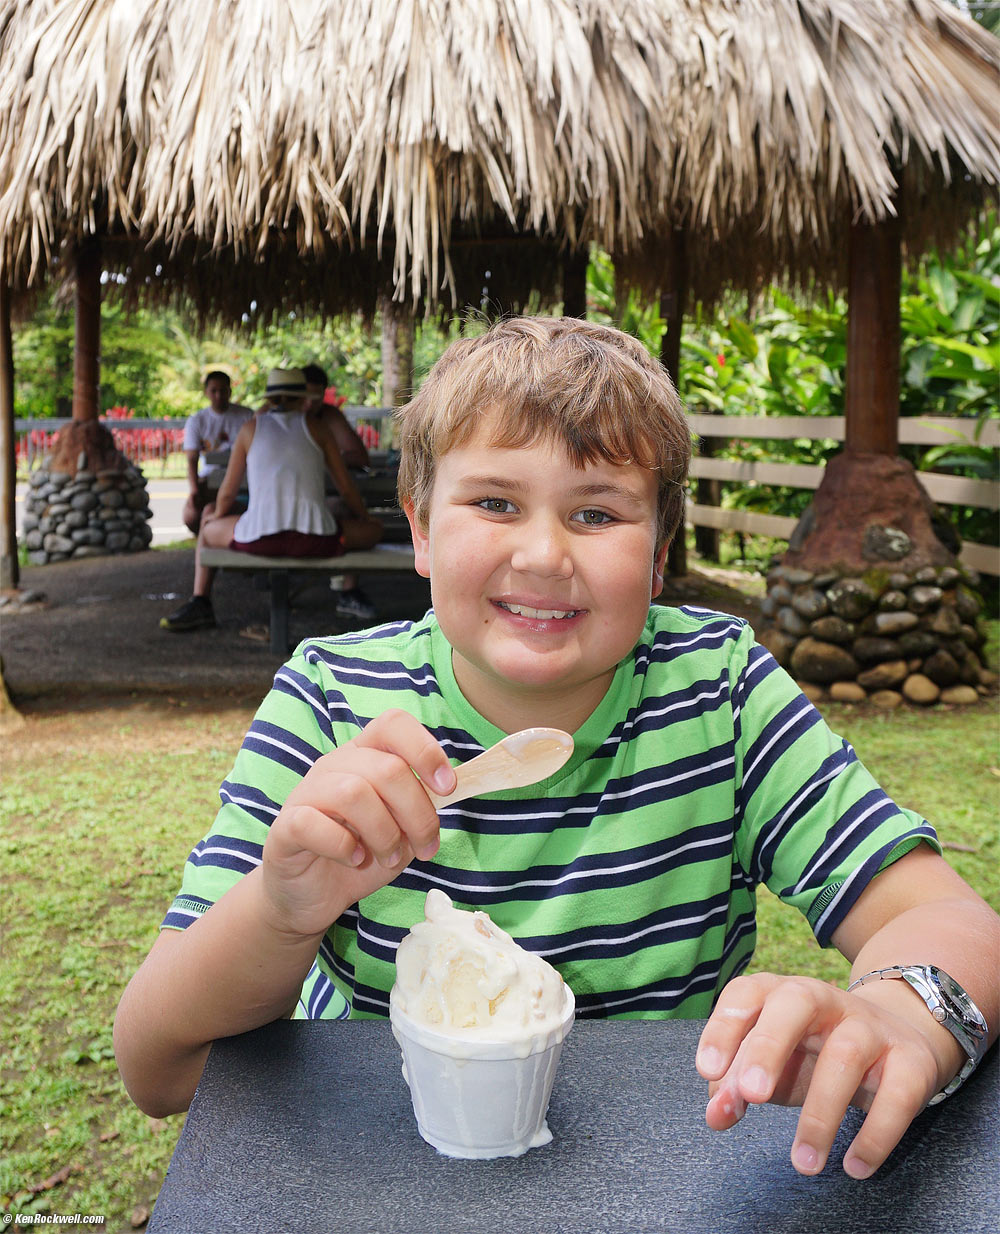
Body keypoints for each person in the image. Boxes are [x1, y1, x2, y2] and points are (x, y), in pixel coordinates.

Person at [118, 319, 998, 1182]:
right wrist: (281, 910)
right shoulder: (330, 701)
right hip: (377, 1175)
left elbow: (955, 925)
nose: (543, 554)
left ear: (657, 558)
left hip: (653, 1176)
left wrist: (906, 1014)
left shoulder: (718, 694)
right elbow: (159, 1067)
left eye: (597, 512)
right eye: (495, 502)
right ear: (422, 531)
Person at [160, 369, 382, 633]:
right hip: (316, 540)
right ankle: (349, 592)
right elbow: (346, 488)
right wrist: (365, 518)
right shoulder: (318, 427)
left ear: (270, 399)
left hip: (257, 539)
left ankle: (201, 602)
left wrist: (216, 515)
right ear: (302, 398)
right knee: (376, 530)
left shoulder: (249, 428)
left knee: (207, 533)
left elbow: (228, 493)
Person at [302, 362, 379, 623]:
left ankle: (348, 589)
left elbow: (359, 456)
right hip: (289, 509)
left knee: (348, 511)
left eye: (316, 396)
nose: (310, 404)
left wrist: (329, 457)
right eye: (305, 395)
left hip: (326, 500)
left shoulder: (329, 416)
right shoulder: (277, 418)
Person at [181, 371, 254, 534]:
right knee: (192, 516)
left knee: (210, 512)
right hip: (210, 480)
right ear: (206, 392)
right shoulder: (197, 420)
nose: (218, 395)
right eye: (214, 390)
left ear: (230, 391)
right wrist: (194, 490)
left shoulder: (247, 416)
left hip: (243, 479)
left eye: (223, 390)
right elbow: (191, 460)